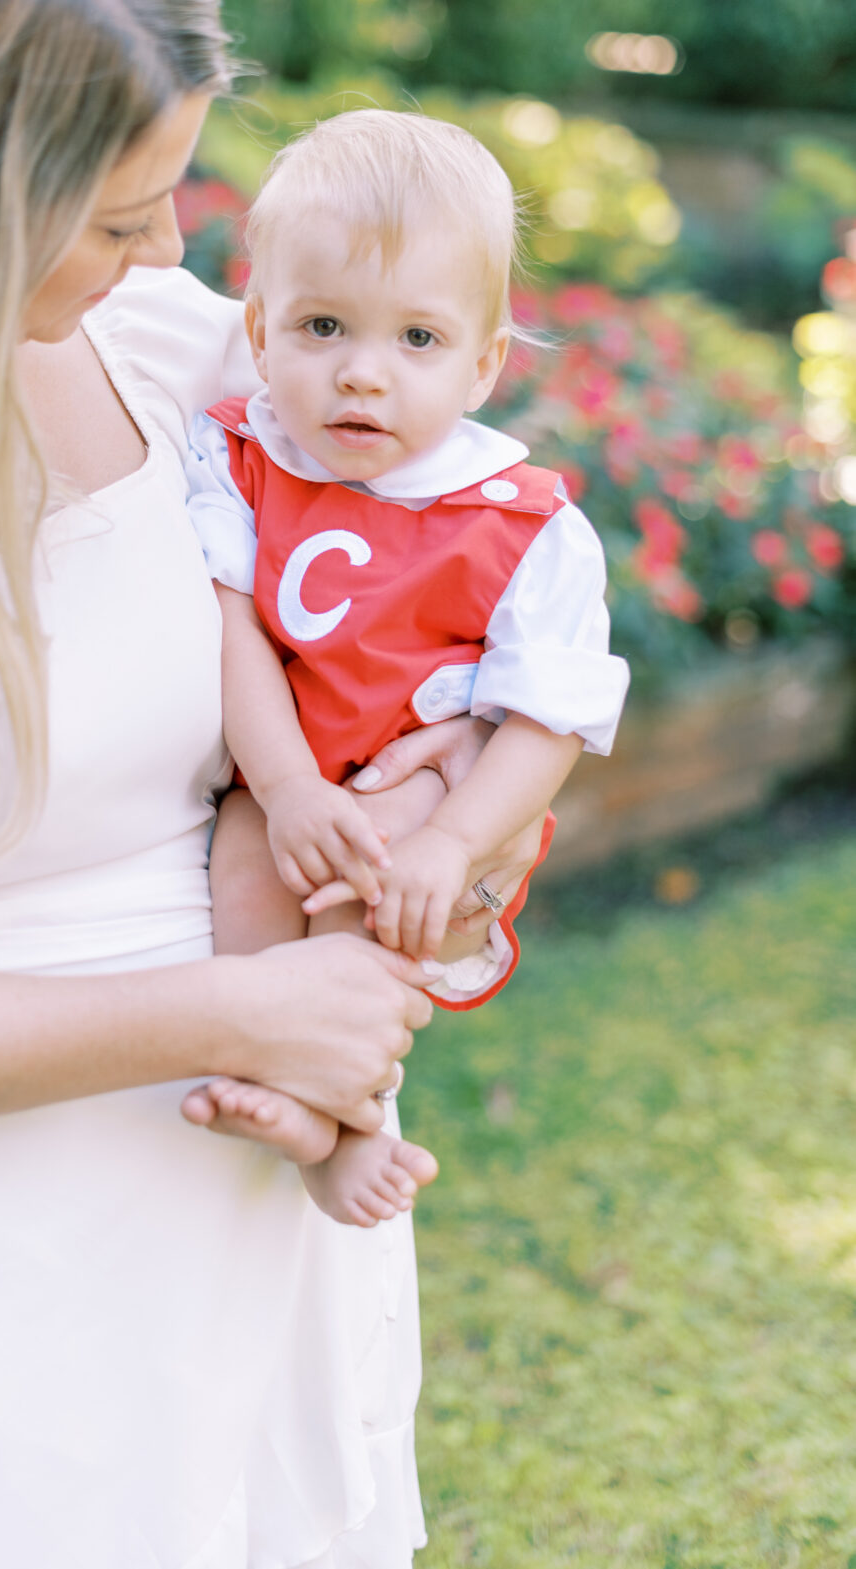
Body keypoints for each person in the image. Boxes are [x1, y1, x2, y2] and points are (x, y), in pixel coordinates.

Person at [0, 0, 533, 1566]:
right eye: (112, 213)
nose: (171, 247)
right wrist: (240, 1004)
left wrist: (451, 826)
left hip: (259, 1212)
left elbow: (468, 604)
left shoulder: (174, 355)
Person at [180, 112, 630, 1228]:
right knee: (243, 873)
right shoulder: (242, 457)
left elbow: (545, 722)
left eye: (416, 341)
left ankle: (350, 1122)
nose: (361, 376)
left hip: (427, 793)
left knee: (363, 908)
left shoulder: (523, 524)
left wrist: (448, 835)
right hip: (280, 771)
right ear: (261, 328)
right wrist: (283, 790)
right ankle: (262, 1058)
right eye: (323, 326)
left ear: (482, 366)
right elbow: (233, 626)